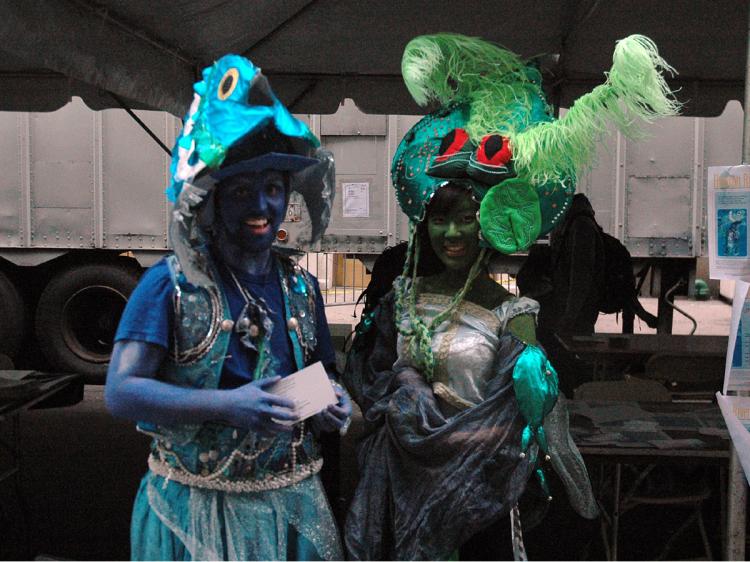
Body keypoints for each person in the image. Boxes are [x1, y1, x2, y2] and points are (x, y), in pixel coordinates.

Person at [342, 33, 679, 560]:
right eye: (441, 219)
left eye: (466, 220)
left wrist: (454, 433)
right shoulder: (400, 299)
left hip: (481, 508)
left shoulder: (514, 316)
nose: (452, 234)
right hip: (398, 498)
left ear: (489, 228)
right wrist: (401, 390)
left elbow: (523, 422)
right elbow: (366, 375)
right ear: (423, 224)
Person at [105, 54, 350, 561]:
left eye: (274, 189)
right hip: (194, 508)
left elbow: (321, 375)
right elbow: (121, 392)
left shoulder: (302, 288)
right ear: (210, 200)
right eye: (241, 191)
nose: (262, 207)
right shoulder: (169, 285)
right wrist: (228, 406)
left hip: (291, 504)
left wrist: (334, 404)